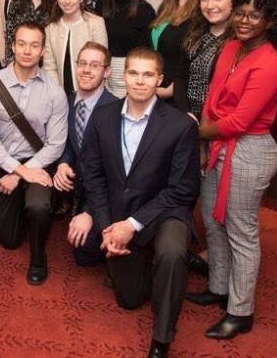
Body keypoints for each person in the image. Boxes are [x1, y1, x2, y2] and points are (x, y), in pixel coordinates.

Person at [186, 0, 277, 341]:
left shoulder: (270, 63)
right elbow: (214, 99)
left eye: (254, 15)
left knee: (240, 230)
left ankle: (240, 310)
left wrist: (193, 131)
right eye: (241, 13)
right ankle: (218, 288)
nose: (245, 21)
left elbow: (241, 121)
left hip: (250, 150)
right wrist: (204, 136)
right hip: (217, 144)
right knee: (213, 222)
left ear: (270, 21)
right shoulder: (230, 47)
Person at [82, 47, 200, 358]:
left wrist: (132, 225)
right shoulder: (103, 116)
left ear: (159, 79)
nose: (139, 81)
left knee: (173, 253)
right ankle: (148, 268)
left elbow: (183, 190)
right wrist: (107, 226)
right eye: (133, 73)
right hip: (119, 214)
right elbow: (93, 176)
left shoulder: (180, 125)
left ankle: (162, 339)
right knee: (129, 300)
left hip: (165, 212)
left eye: (148, 75)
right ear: (124, 76)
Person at [0, 21, 68, 285]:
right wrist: (16, 170)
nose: (27, 50)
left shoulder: (54, 92)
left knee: (38, 207)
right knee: (10, 240)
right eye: (22, 44)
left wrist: (22, 175)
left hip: (38, 162)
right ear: (13, 46)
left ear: (43, 51)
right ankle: (25, 206)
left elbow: (56, 144)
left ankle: (38, 257)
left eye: (34, 45)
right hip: (2, 162)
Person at [54, 42, 117, 267]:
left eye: (95, 65)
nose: (86, 70)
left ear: (106, 71)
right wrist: (63, 163)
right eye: (82, 64)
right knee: (81, 251)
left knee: (87, 251)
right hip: (80, 185)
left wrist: (90, 213)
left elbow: (116, 175)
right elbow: (72, 144)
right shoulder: (68, 102)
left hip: (109, 194)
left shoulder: (116, 110)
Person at [149, 0, 204, 111]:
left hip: (177, 99)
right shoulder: (165, 8)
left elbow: (196, 64)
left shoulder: (201, 13)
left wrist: (169, 91)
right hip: (156, 92)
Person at [101, 0, 156, 98]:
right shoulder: (101, 5)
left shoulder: (145, 10)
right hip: (102, 74)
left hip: (132, 76)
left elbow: (147, 53)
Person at [43, 0, 108, 96]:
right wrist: (58, 96)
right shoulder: (50, 28)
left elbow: (100, 65)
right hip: (61, 97)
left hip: (93, 95)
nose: (67, 1)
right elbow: (49, 68)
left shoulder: (96, 23)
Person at [184, 0, 234, 121]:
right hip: (188, 118)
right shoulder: (194, 31)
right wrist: (186, 113)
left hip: (217, 122)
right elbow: (181, 77)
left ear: (234, 0)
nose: (210, 5)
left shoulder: (238, 41)